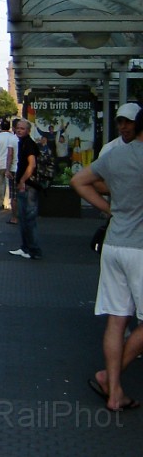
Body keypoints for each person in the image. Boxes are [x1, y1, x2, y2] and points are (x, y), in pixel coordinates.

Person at [70, 107, 143, 412]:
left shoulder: (115, 154)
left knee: (116, 319)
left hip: (114, 244)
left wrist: (109, 209)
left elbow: (79, 181)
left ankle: (113, 393)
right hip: (140, 249)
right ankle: (107, 379)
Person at [8, 119, 42, 260]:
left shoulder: (28, 144)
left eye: (22, 128)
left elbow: (32, 164)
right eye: (18, 128)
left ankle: (33, 250)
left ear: (28, 130)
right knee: (24, 218)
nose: (19, 130)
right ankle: (26, 247)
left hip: (28, 187)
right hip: (26, 186)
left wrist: (22, 181)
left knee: (29, 219)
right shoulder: (23, 142)